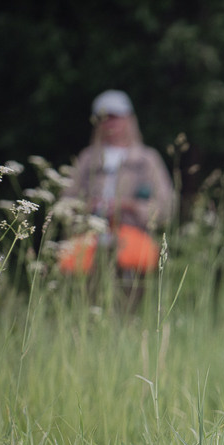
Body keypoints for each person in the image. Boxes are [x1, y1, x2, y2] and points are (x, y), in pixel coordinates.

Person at [58, 89, 174, 305]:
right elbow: (65, 204)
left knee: (129, 291)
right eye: (104, 119)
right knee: (78, 275)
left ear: (129, 120)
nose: (110, 124)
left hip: (132, 237)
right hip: (90, 237)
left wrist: (128, 207)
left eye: (116, 118)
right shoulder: (87, 159)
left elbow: (165, 207)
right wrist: (87, 208)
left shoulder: (147, 160)